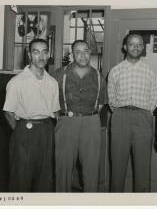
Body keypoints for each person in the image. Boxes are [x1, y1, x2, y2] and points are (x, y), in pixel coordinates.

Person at [3, 38, 60, 192]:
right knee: (20, 178)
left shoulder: (53, 82)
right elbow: (8, 111)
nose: (41, 56)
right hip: (24, 130)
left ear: (49, 55)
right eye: (36, 52)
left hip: (47, 131)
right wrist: (20, 131)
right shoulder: (17, 82)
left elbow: (55, 112)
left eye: (44, 52)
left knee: (45, 178)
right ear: (29, 55)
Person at [108, 33, 157, 192]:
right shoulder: (115, 71)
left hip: (143, 117)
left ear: (143, 47)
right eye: (131, 44)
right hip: (120, 117)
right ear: (125, 47)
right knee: (117, 165)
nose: (135, 47)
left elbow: (153, 99)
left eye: (139, 44)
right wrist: (121, 112)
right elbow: (111, 99)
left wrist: (144, 114)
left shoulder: (150, 71)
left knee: (143, 167)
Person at [53, 39, 106, 192]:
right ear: (72, 54)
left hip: (91, 122)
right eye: (78, 52)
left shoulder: (98, 76)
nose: (82, 55)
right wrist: (61, 118)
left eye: (86, 51)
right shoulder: (59, 74)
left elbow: (101, 103)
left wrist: (90, 116)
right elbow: (51, 101)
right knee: (63, 168)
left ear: (90, 53)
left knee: (91, 168)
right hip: (66, 122)